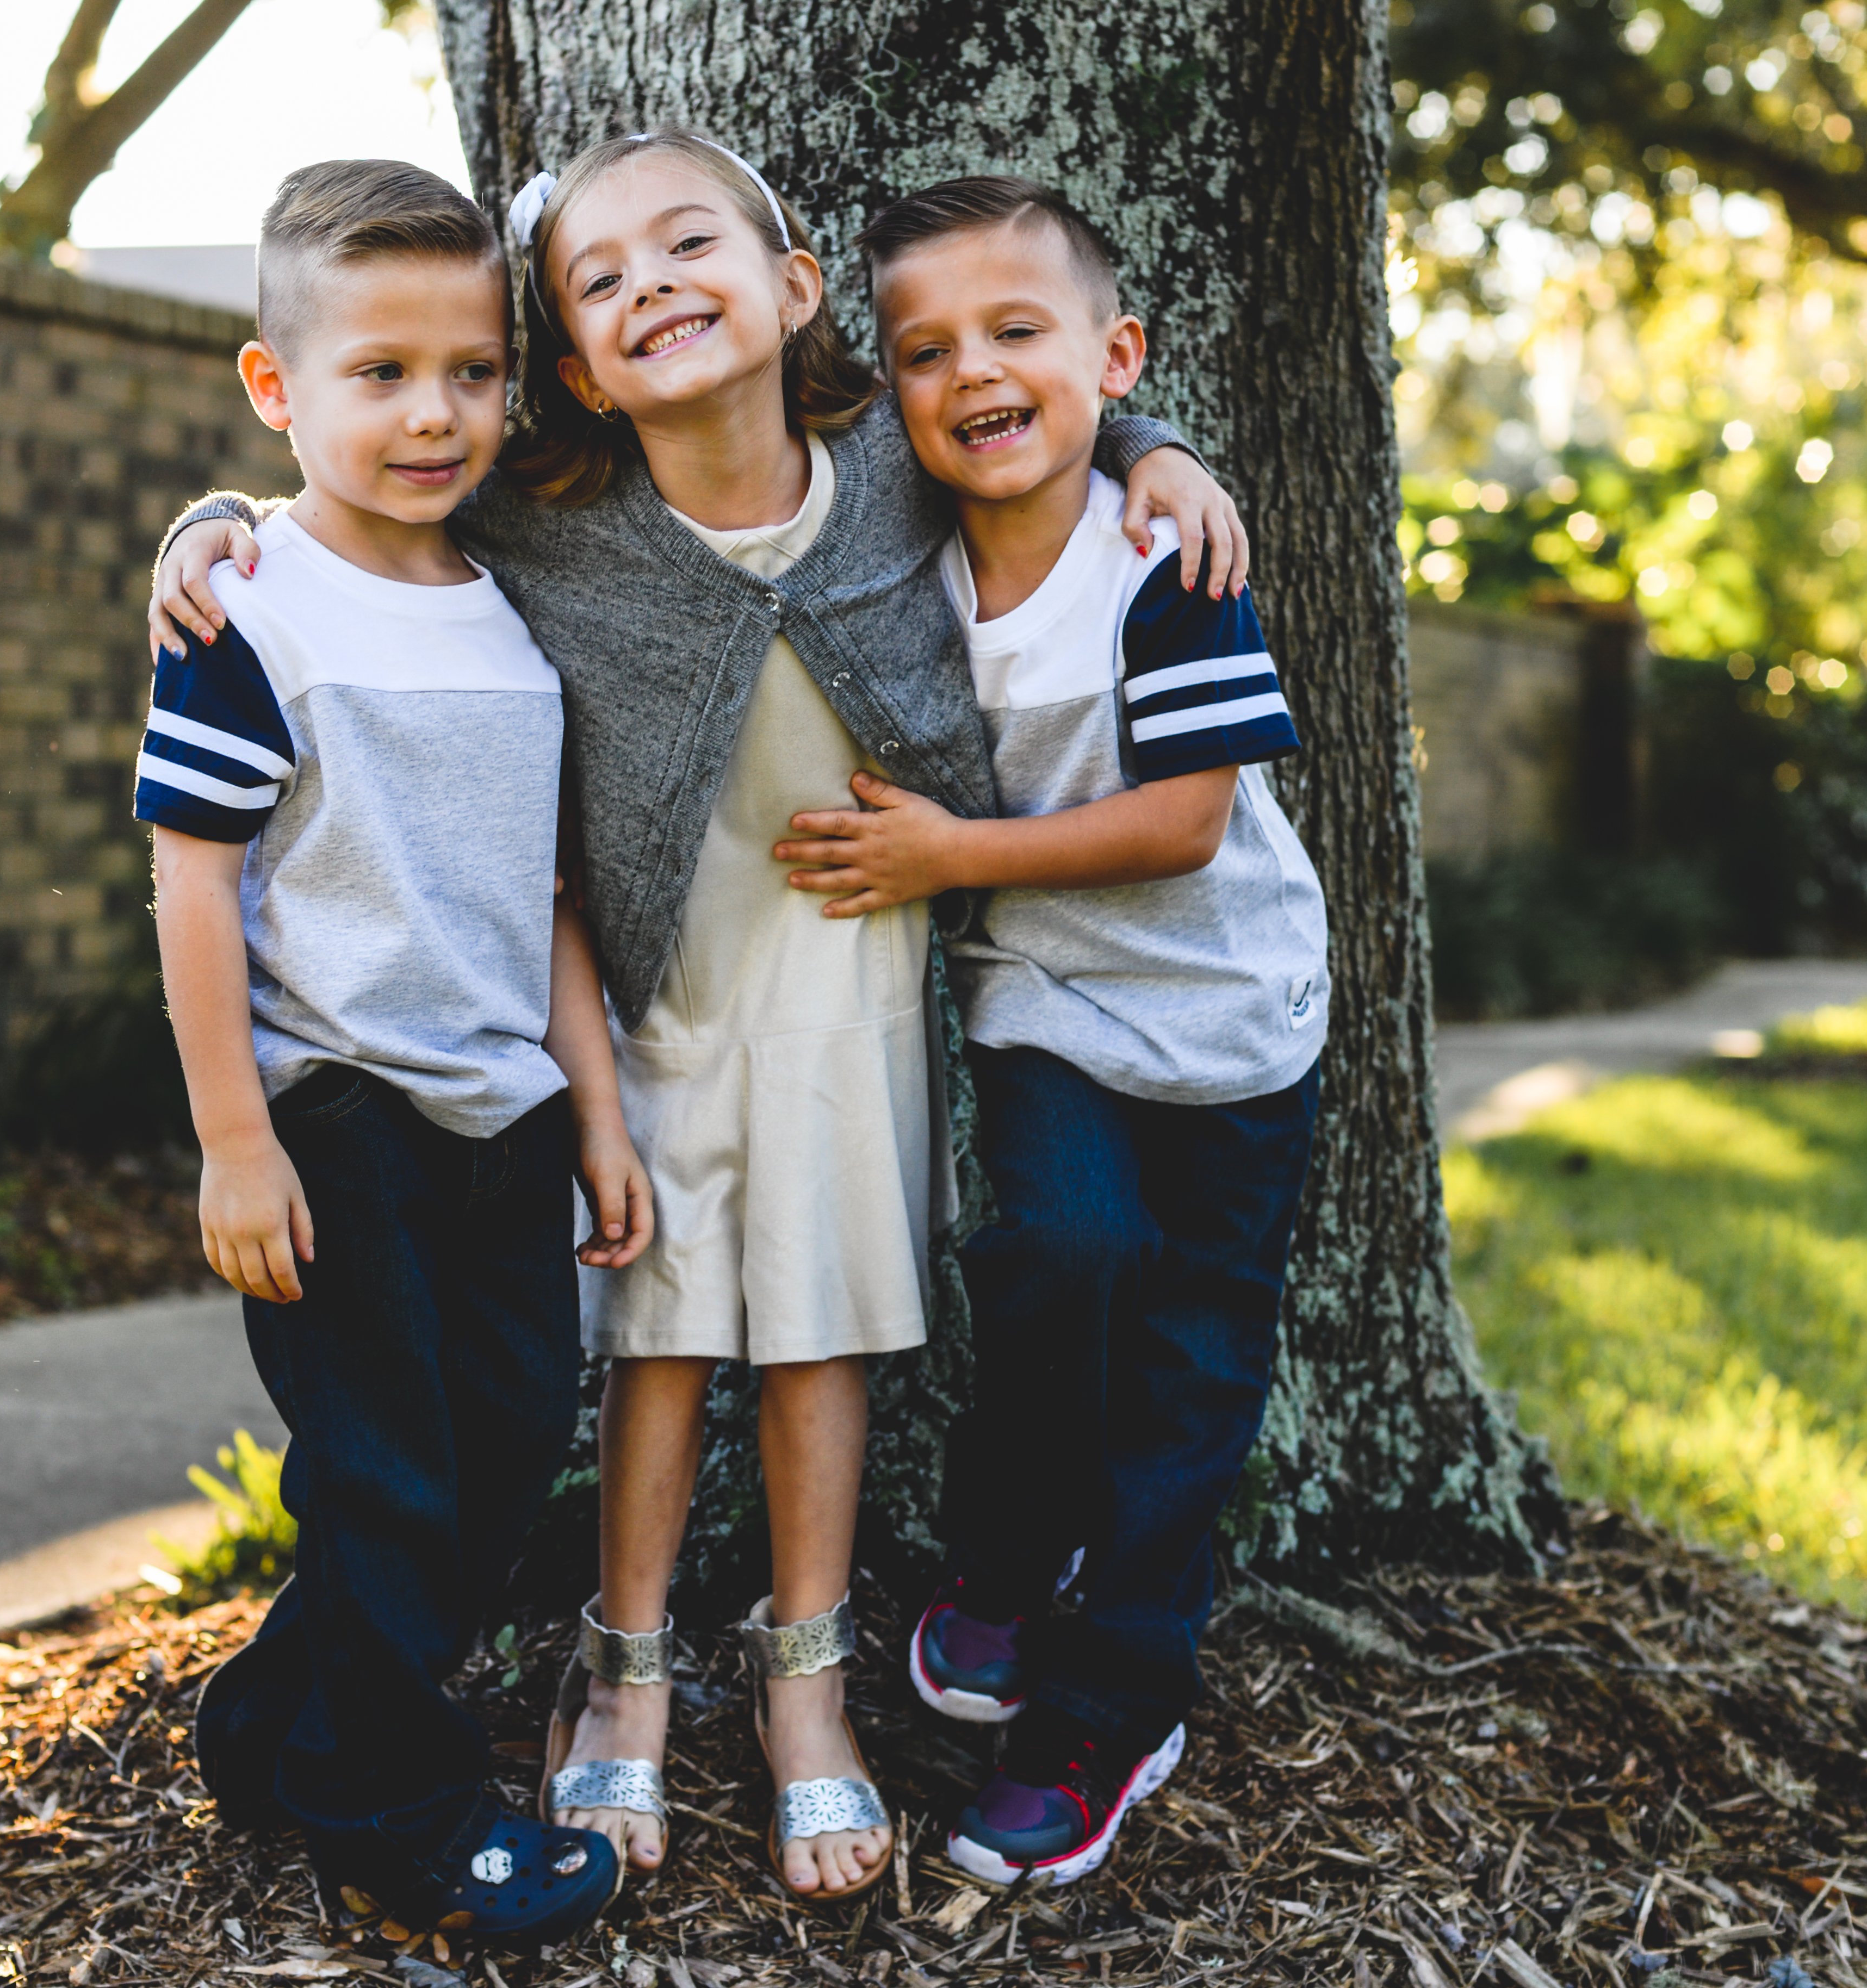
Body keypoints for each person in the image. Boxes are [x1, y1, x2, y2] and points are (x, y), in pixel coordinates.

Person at [148, 131, 1250, 1904]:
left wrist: (1158, 443)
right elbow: (349, 509)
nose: (654, 282)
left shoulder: (893, 471)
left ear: (797, 287)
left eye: (691, 246)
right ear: (570, 370)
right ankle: (624, 1672)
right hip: (648, 994)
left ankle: (806, 1689)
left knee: (826, 1325)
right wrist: (210, 528)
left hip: (851, 975)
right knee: (654, 1334)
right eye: (600, 279)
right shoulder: (538, 524)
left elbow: (1027, 409)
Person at [767, 175, 1330, 1888]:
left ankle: (1111, 1703)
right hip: (1046, 1001)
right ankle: (1005, 1565)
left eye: (1019, 333)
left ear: (1113, 352)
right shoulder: (894, 558)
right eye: (927, 351)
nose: (975, 375)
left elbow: (1179, 824)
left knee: (1188, 1386)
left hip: (1235, 1020)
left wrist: (945, 858)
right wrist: (218, 527)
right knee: (1057, 1255)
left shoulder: (1167, 556)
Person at [134, 157, 654, 1951]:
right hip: (332, 1116)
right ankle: (397, 1810)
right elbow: (191, 886)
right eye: (378, 373)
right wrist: (232, 1139)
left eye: (471, 371)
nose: (433, 413)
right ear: (278, 390)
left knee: (504, 1458)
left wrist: (594, 1114)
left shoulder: (515, 616)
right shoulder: (247, 608)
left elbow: (555, 896)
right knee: (388, 1476)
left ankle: (278, 1730)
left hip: (500, 1113)